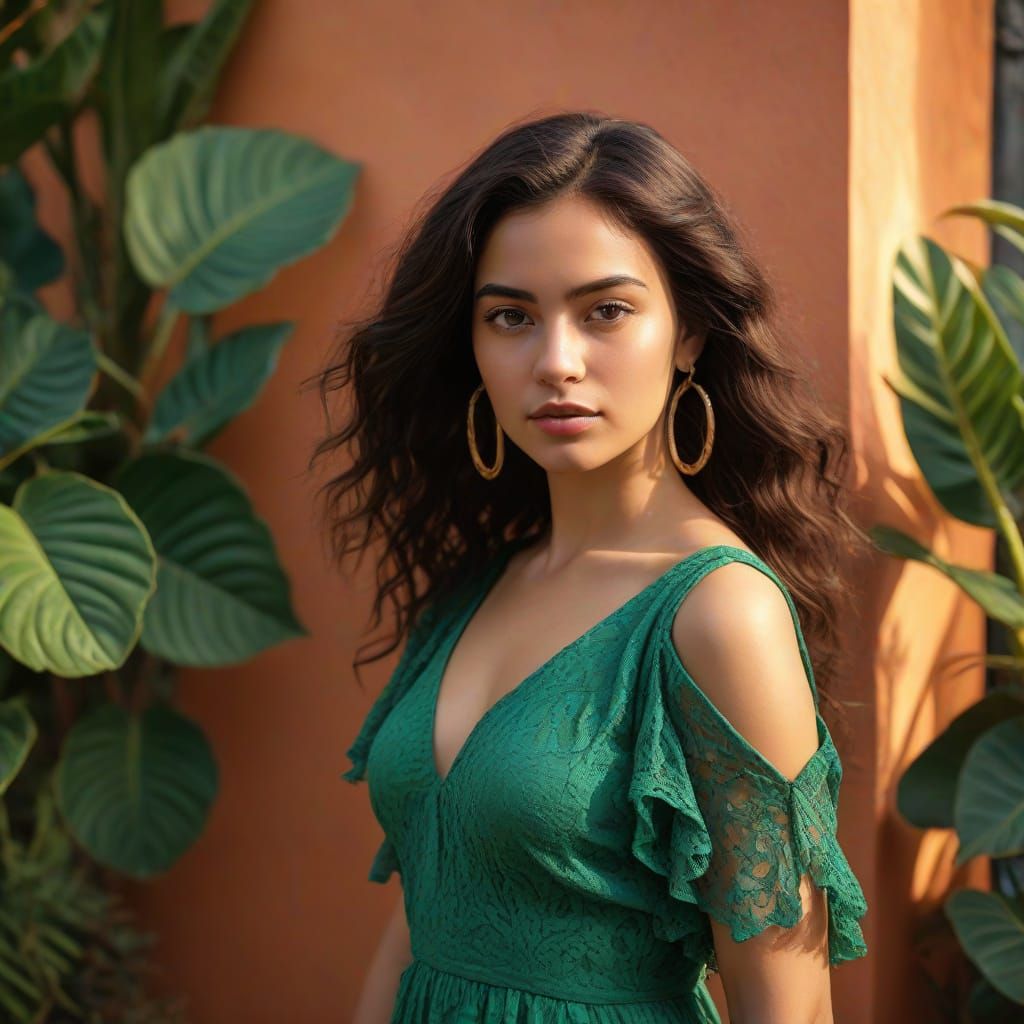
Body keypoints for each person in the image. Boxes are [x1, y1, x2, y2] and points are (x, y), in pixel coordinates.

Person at [314, 110, 869, 1024]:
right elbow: (420, 923)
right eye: (511, 317)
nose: (556, 362)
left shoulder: (719, 613)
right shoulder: (479, 583)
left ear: (689, 333)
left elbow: (790, 1001)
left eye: (606, 311)